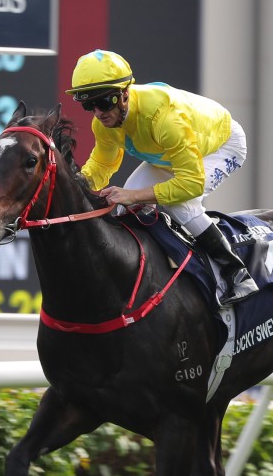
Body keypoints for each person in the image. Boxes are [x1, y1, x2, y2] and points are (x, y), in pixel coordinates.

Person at [65, 49, 257, 303]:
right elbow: (101, 165)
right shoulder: (103, 124)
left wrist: (134, 195)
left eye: (104, 102)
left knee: (178, 202)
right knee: (124, 212)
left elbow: (190, 183)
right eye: (89, 105)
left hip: (221, 146)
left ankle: (237, 273)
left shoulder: (163, 118)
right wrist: (74, 188)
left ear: (125, 94)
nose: (98, 113)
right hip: (169, 155)